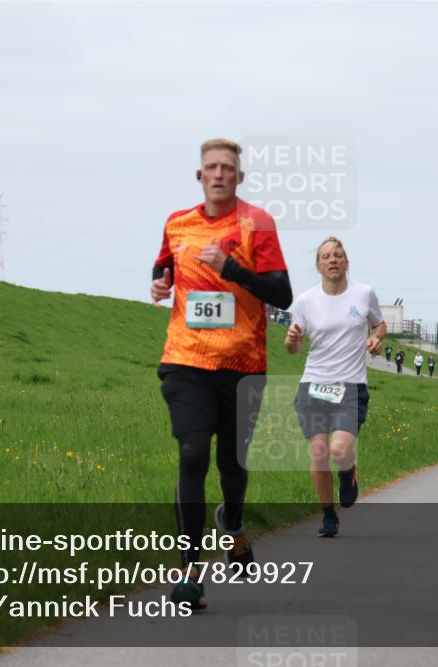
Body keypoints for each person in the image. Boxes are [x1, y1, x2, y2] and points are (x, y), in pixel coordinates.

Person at [151, 138, 292, 609]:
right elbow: (163, 266)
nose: (218, 174)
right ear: (199, 176)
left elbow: (282, 293)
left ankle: (232, 522)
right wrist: (160, 282)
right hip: (186, 359)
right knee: (192, 454)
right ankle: (190, 569)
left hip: (243, 365)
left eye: (227, 168)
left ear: (238, 177)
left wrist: (232, 269)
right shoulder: (178, 223)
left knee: (232, 465)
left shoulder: (258, 224)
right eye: (210, 167)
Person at [284, 237, 386, 537]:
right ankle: (329, 515)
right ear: (318, 265)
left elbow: (379, 324)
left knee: (339, 449)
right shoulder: (305, 300)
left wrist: (377, 337)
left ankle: (348, 469)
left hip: (350, 385)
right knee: (318, 452)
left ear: (346, 263)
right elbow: (294, 345)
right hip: (313, 383)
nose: (333, 260)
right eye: (326, 256)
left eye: (338, 255)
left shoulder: (364, 293)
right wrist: (291, 341)